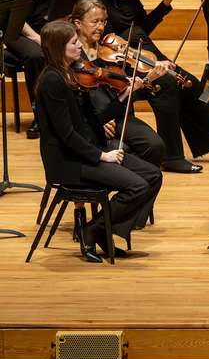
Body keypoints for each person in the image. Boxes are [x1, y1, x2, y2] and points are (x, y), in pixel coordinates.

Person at [80, 0, 209, 171]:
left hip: (145, 52)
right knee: (167, 84)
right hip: (117, 63)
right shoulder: (90, 2)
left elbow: (144, 26)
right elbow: (103, 45)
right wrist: (150, 64)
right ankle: (171, 157)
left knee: (191, 85)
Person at [34, 20, 162, 262]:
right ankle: (93, 229)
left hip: (89, 151)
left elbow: (94, 121)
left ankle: (104, 228)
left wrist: (124, 96)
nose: (79, 47)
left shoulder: (71, 75)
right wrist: (102, 156)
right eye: (73, 43)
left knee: (153, 175)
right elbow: (66, 134)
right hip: (69, 161)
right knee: (138, 187)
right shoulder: (53, 81)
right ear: (60, 47)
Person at [70, 0, 174, 173]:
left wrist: (148, 78)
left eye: (103, 21)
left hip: (117, 114)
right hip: (93, 118)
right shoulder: (73, 55)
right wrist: (96, 122)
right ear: (78, 23)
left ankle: (139, 187)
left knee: (155, 146)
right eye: (95, 22)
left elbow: (123, 87)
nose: (101, 27)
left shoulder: (111, 50)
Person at [2, 0, 61, 140]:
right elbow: (16, 15)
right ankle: (40, 114)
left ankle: (66, 112)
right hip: (18, 30)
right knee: (37, 55)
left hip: (48, 27)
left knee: (74, 48)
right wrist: (37, 37)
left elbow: (57, 3)